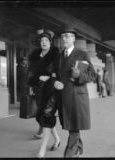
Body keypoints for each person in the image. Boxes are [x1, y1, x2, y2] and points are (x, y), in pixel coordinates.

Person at [54, 26, 96, 157]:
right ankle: (79, 149)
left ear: (73, 38)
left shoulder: (82, 54)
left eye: (67, 36)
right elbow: (55, 75)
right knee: (72, 125)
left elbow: (93, 75)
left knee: (73, 126)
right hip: (63, 96)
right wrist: (54, 81)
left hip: (76, 96)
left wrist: (79, 76)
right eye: (62, 36)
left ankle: (69, 154)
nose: (64, 38)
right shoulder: (59, 56)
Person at [28, 29, 63, 158]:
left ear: (50, 42)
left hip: (51, 90)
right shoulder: (35, 56)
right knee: (43, 115)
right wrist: (37, 80)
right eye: (41, 40)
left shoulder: (55, 55)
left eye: (46, 40)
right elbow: (31, 75)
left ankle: (41, 151)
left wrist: (51, 79)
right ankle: (57, 139)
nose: (43, 42)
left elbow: (58, 73)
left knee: (47, 115)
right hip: (39, 89)